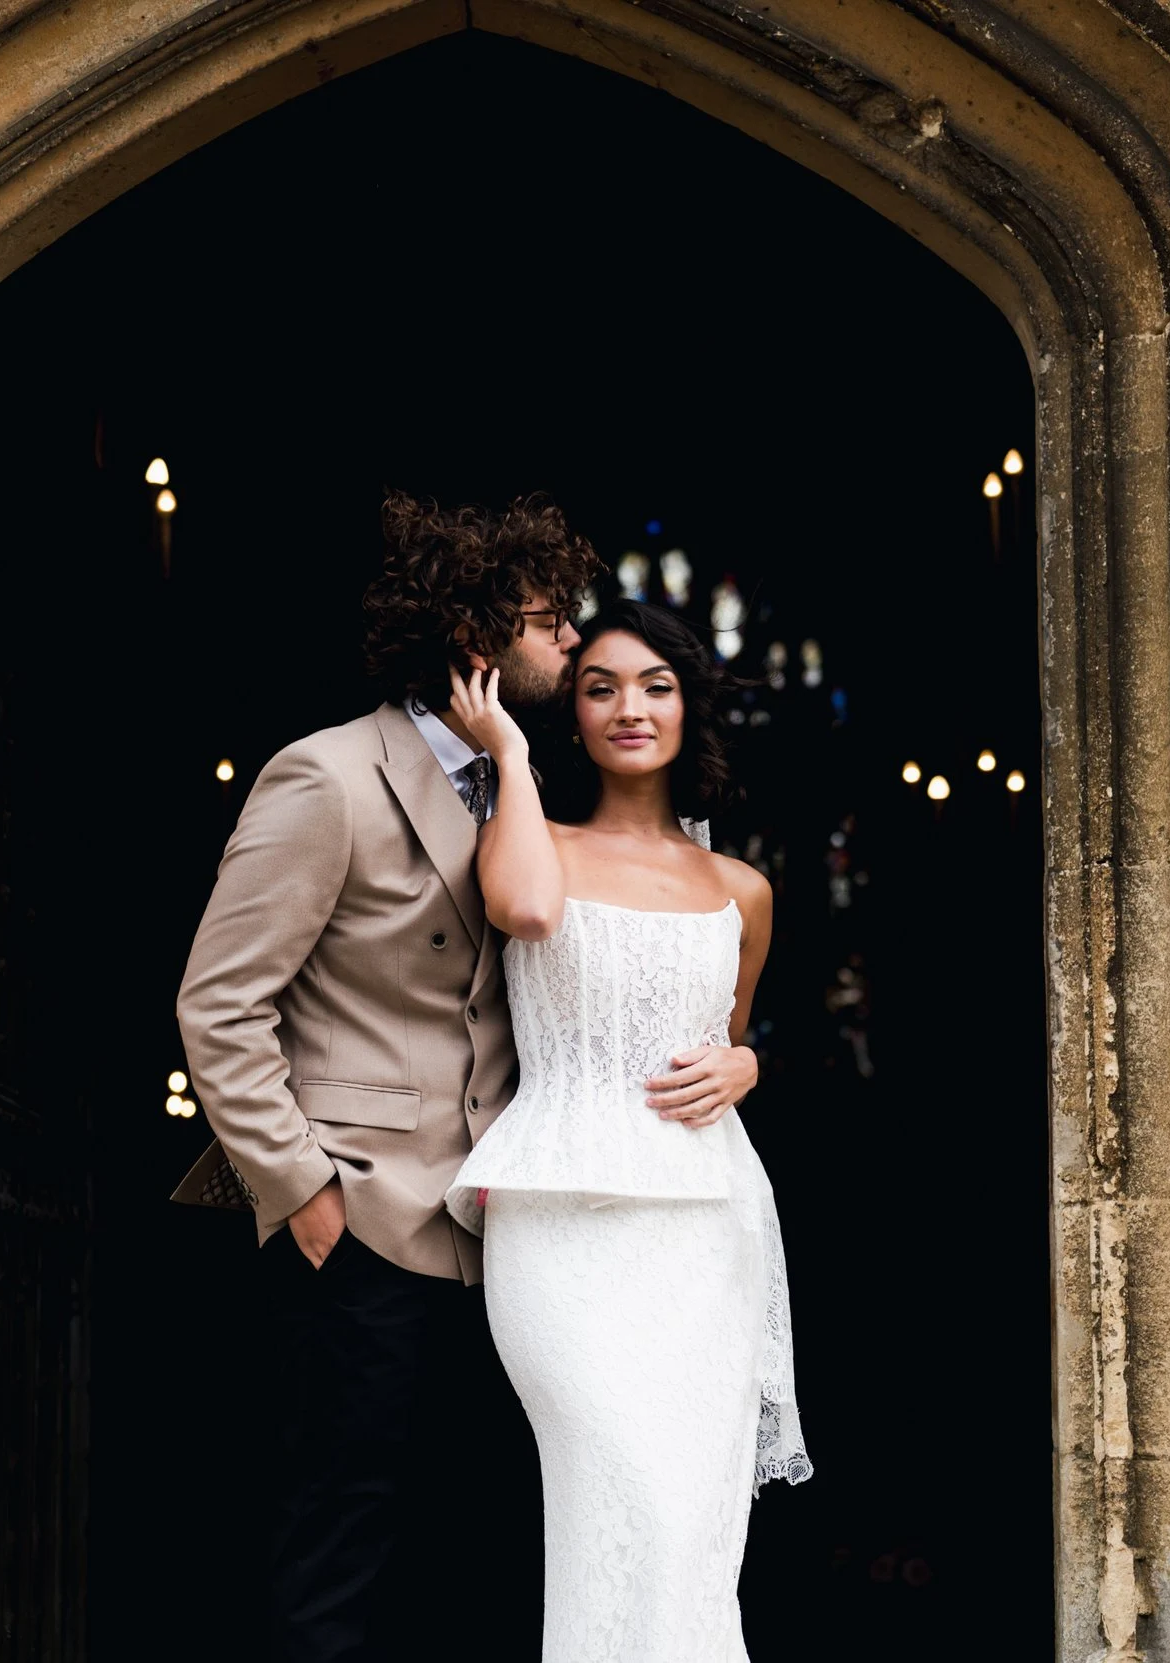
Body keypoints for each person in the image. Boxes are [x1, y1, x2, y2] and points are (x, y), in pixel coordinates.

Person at [174, 491, 602, 1661]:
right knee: (336, 1546)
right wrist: (303, 1188)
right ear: (475, 642)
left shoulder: (521, 785)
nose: (569, 641)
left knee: (464, 1544)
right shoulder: (325, 777)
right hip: (360, 1218)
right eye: (545, 619)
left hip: (498, 1232)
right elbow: (219, 1000)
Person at [441, 598, 812, 1662]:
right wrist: (505, 748)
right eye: (598, 685)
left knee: (693, 1532)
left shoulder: (742, 890)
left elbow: (722, 1040)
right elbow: (523, 910)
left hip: (703, 1233)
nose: (627, 706)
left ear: (690, 703)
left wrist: (749, 1063)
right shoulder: (531, 839)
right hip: (560, 1228)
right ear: (573, 712)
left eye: (654, 684)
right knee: (625, 1494)